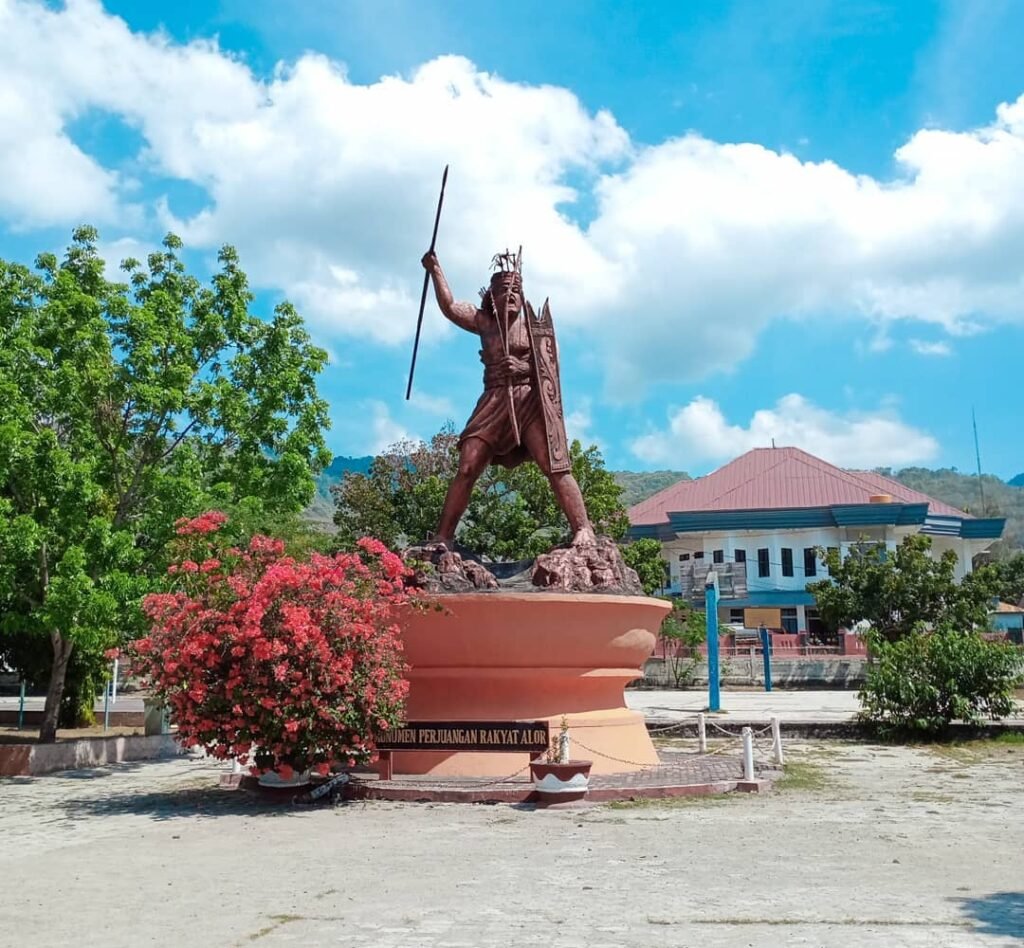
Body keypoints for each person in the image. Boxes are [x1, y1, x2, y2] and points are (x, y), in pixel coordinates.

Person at [421, 249, 596, 551]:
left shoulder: (535, 328)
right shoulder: (485, 323)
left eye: (516, 289)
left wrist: (524, 367)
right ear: (492, 296)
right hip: (493, 400)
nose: (511, 294)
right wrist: (435, 269)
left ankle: (583, 528)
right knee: (467, 466)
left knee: (554, 464)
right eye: (504, 290)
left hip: (528, 401)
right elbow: (449, 307)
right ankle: (444, 536)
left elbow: (551, 367)